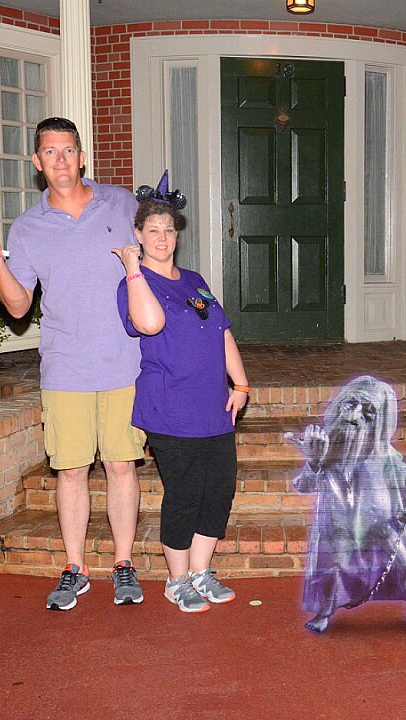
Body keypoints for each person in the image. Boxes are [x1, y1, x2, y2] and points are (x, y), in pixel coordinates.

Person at [0, 117, 146, 611]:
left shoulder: (121, 204)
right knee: (70, 471)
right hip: (66, 366)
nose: (61, 160)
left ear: (82, 157)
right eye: (50, 152)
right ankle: (75, 568)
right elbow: (18, 306)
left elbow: (156, 257)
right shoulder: (28, 227)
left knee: (121, 466)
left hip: (124, 361)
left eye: (68, 150)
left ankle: (124, 563)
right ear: (37, 162)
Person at [115, 174, 250, 614]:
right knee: (185, 494)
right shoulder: (133, 284)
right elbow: (150, 324)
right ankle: (176, 581)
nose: (162, 237)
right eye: (153, 230)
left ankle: (200, 571)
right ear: (138, 234)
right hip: (170, 408)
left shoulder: (194, 280)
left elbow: (221, 331)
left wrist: (241, 383)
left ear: (177, 234)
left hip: (214, 406)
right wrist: (133, 268)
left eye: (169, 230)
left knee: (218, 491)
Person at [286, 376, 406, 634]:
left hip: (384, 525)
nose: (356, 415)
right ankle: (325, 611)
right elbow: (304, 485)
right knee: (334, 567)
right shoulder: (327, 449)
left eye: (368, 412)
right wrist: (313, 461)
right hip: (341, 525)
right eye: (351, 404)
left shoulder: (386, 456)